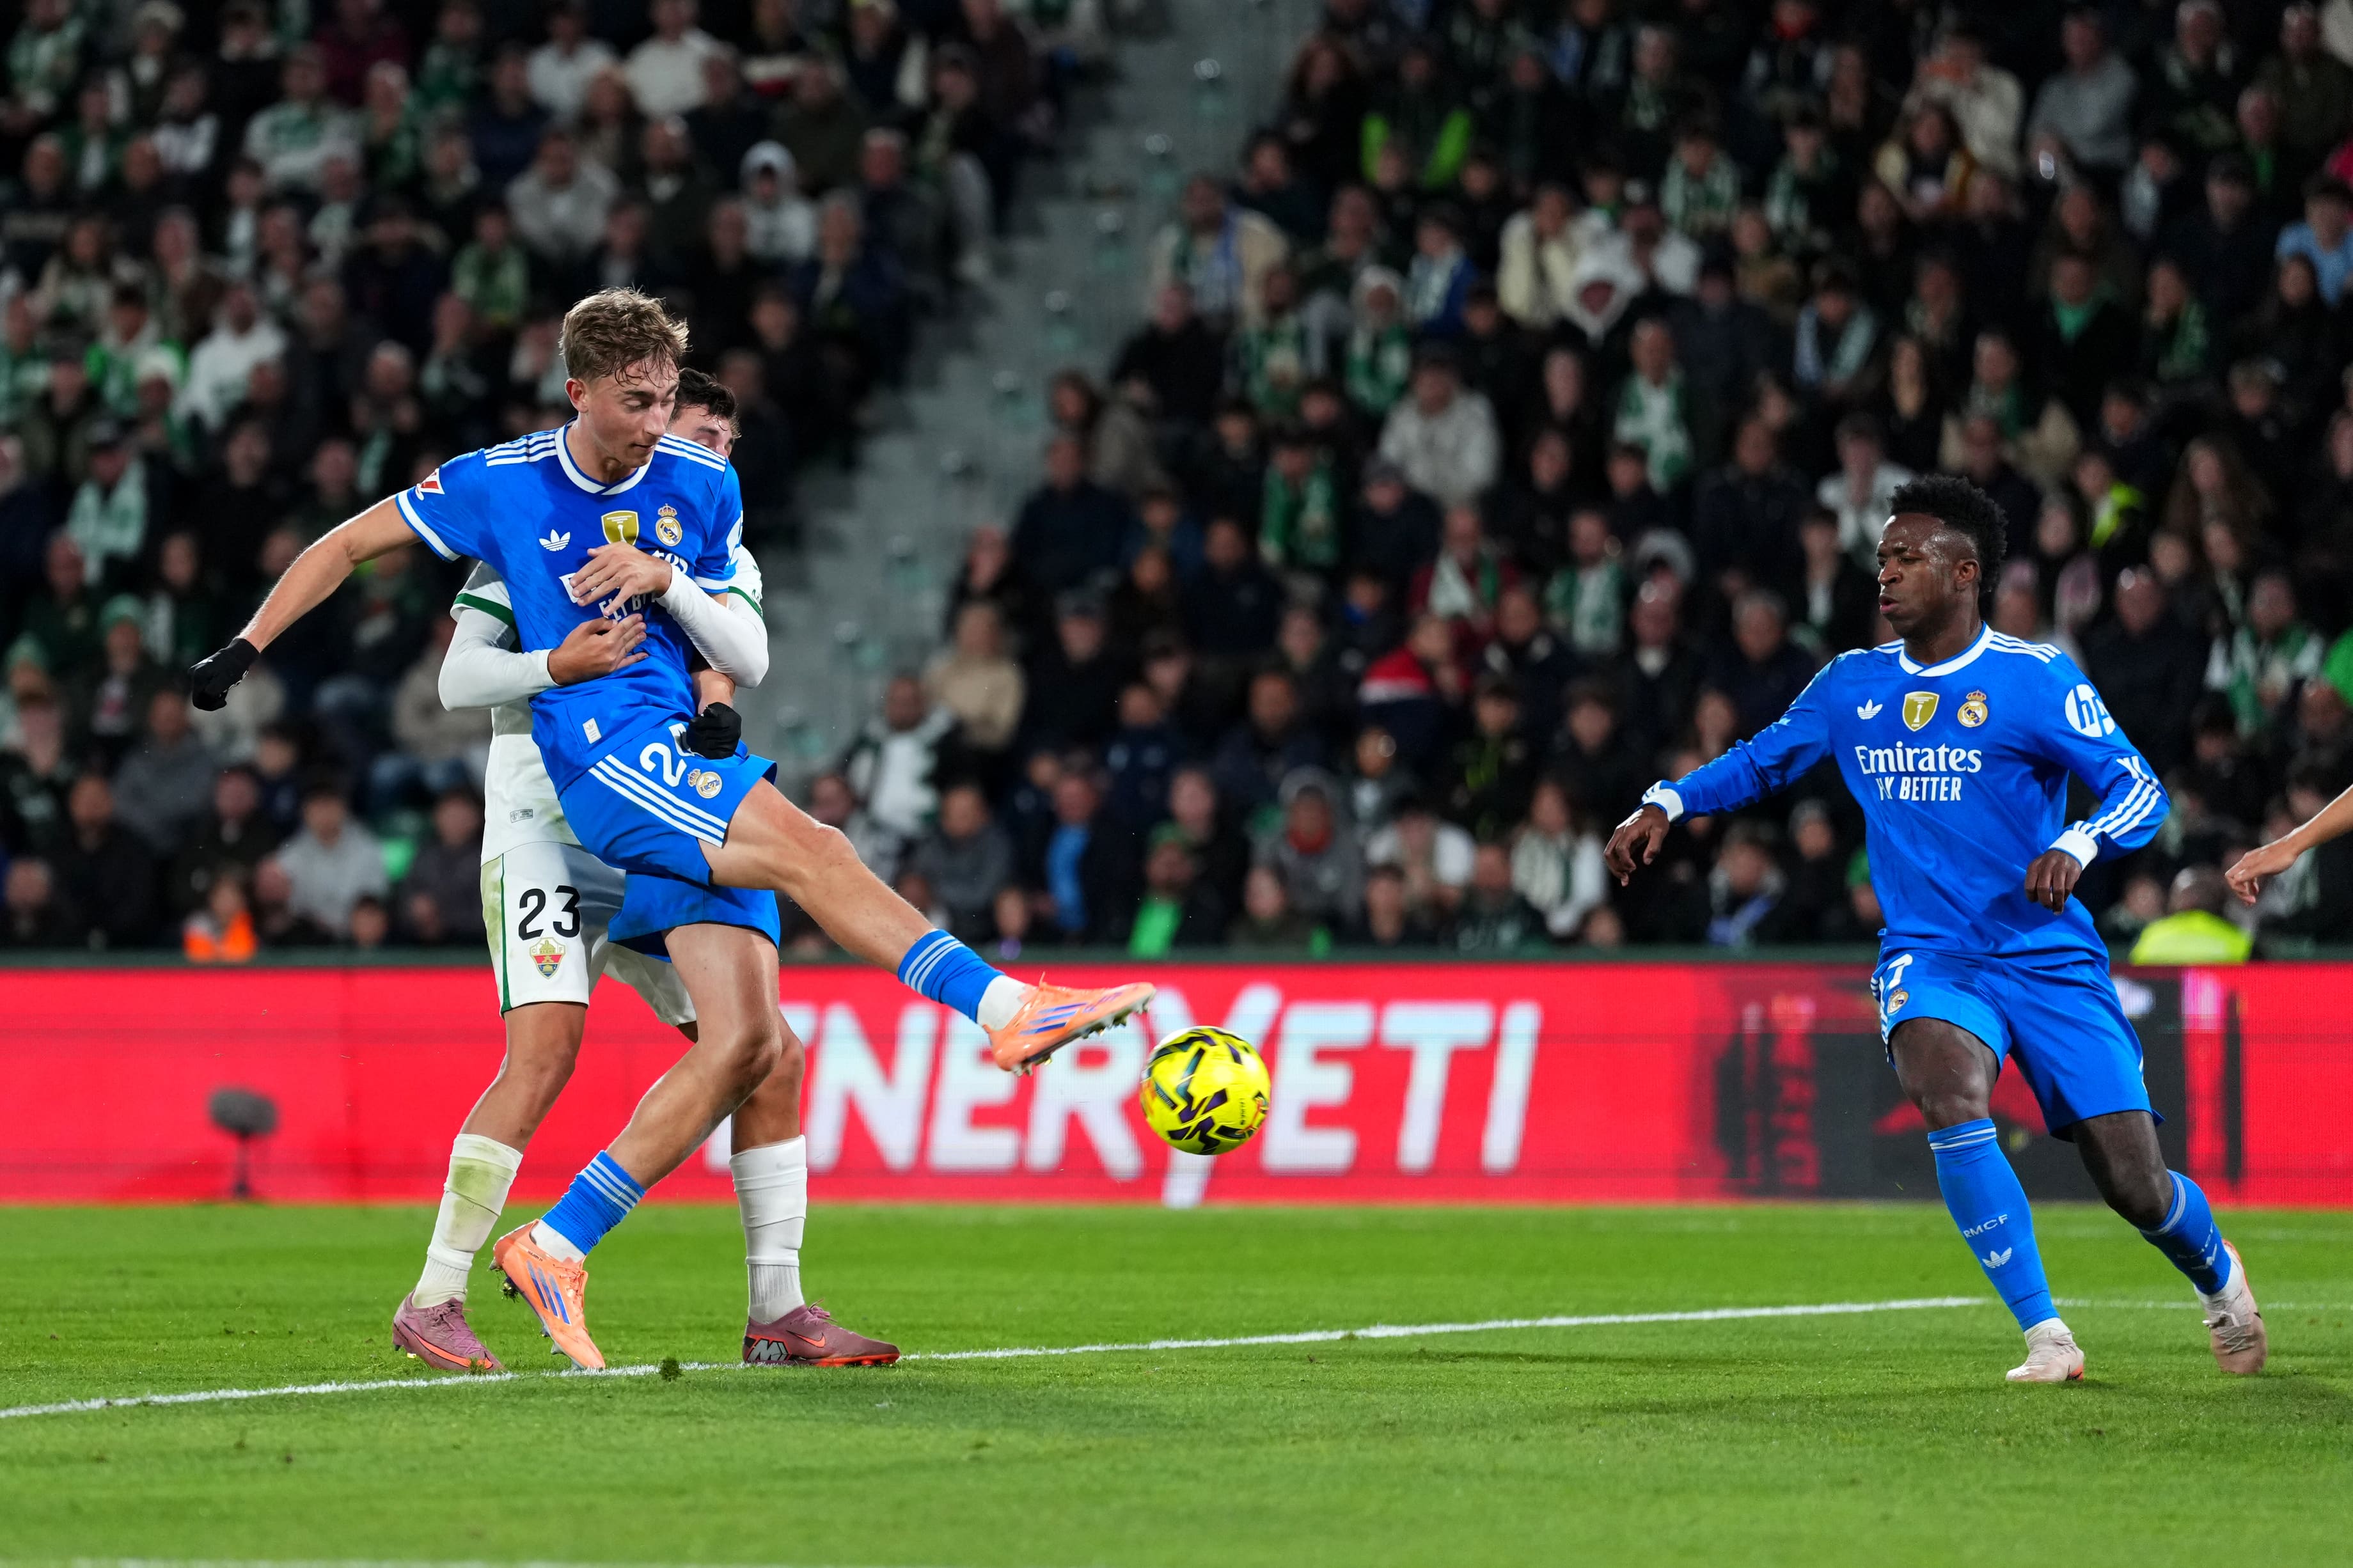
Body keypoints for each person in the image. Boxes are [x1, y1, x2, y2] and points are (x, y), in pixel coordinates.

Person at [187, 289, 1153, 1374]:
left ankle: (750, 1303)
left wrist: (691, 635)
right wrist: (248, 644)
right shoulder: (502, 495)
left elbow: (735, 642)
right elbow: (384, 584)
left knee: (763, 1048)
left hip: (670, 773)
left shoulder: (700, 490)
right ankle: (437, 1294)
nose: (665, 426)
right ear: (581, 391)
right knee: (565, 1037)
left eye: (673, 405)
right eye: (641, 403)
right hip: (563, 792)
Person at [1605, 474, 2265, 1385]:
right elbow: (1762, 760)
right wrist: (1668, 801)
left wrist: (2078, 840)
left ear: (1964, 574)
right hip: (1932, 953)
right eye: (1881, 559)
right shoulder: (1853, 685)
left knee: (2135, 1183)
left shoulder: (2033, 679)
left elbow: (2139, 788)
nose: (1886, 575)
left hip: (2047, 956)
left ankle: (2219, 1278)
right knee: (1947, 1090)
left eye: (1907, 559)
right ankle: (2047, 1335)